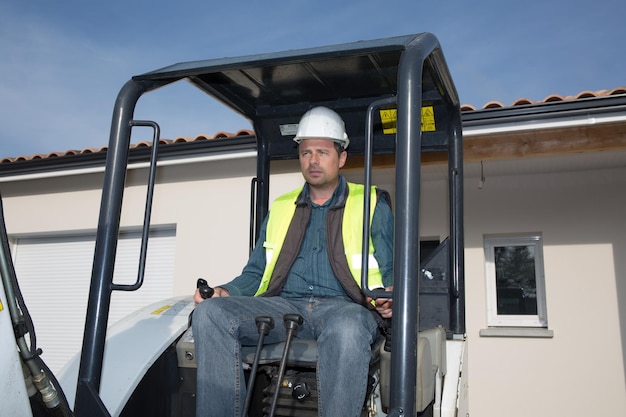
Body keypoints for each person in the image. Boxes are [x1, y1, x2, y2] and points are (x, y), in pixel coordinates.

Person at [192, 106, 394, 417]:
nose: (313, 160)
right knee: (209, 314)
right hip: (285, 307)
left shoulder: (371, 202)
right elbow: (257, 271)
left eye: (323, 152)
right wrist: (225, 291)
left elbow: (390, 270)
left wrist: (388, 297)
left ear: (341, 158)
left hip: (346, 308)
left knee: (348, 328)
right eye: (306, 152)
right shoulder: (282, 207)